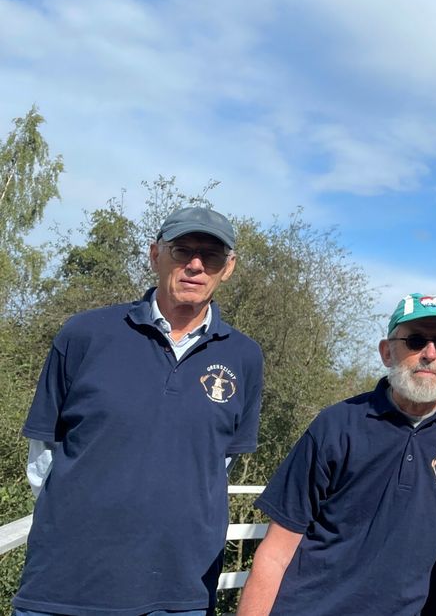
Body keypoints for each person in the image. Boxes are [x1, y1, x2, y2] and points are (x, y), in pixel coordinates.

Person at [15, 206, 264, 616]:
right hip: (65, 587)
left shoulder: (244, 357)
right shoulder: (84, 334)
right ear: (154, 255)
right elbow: (43, 456)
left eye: (211, 256)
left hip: (179, 593)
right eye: (182, 250)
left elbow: (219, 463)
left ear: (229, 267)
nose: (196, 266)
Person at [237, 293, 436, 616]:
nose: (430, 354)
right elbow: (276, 552)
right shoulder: (336, 425)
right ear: (387, 352)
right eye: (416, 340)